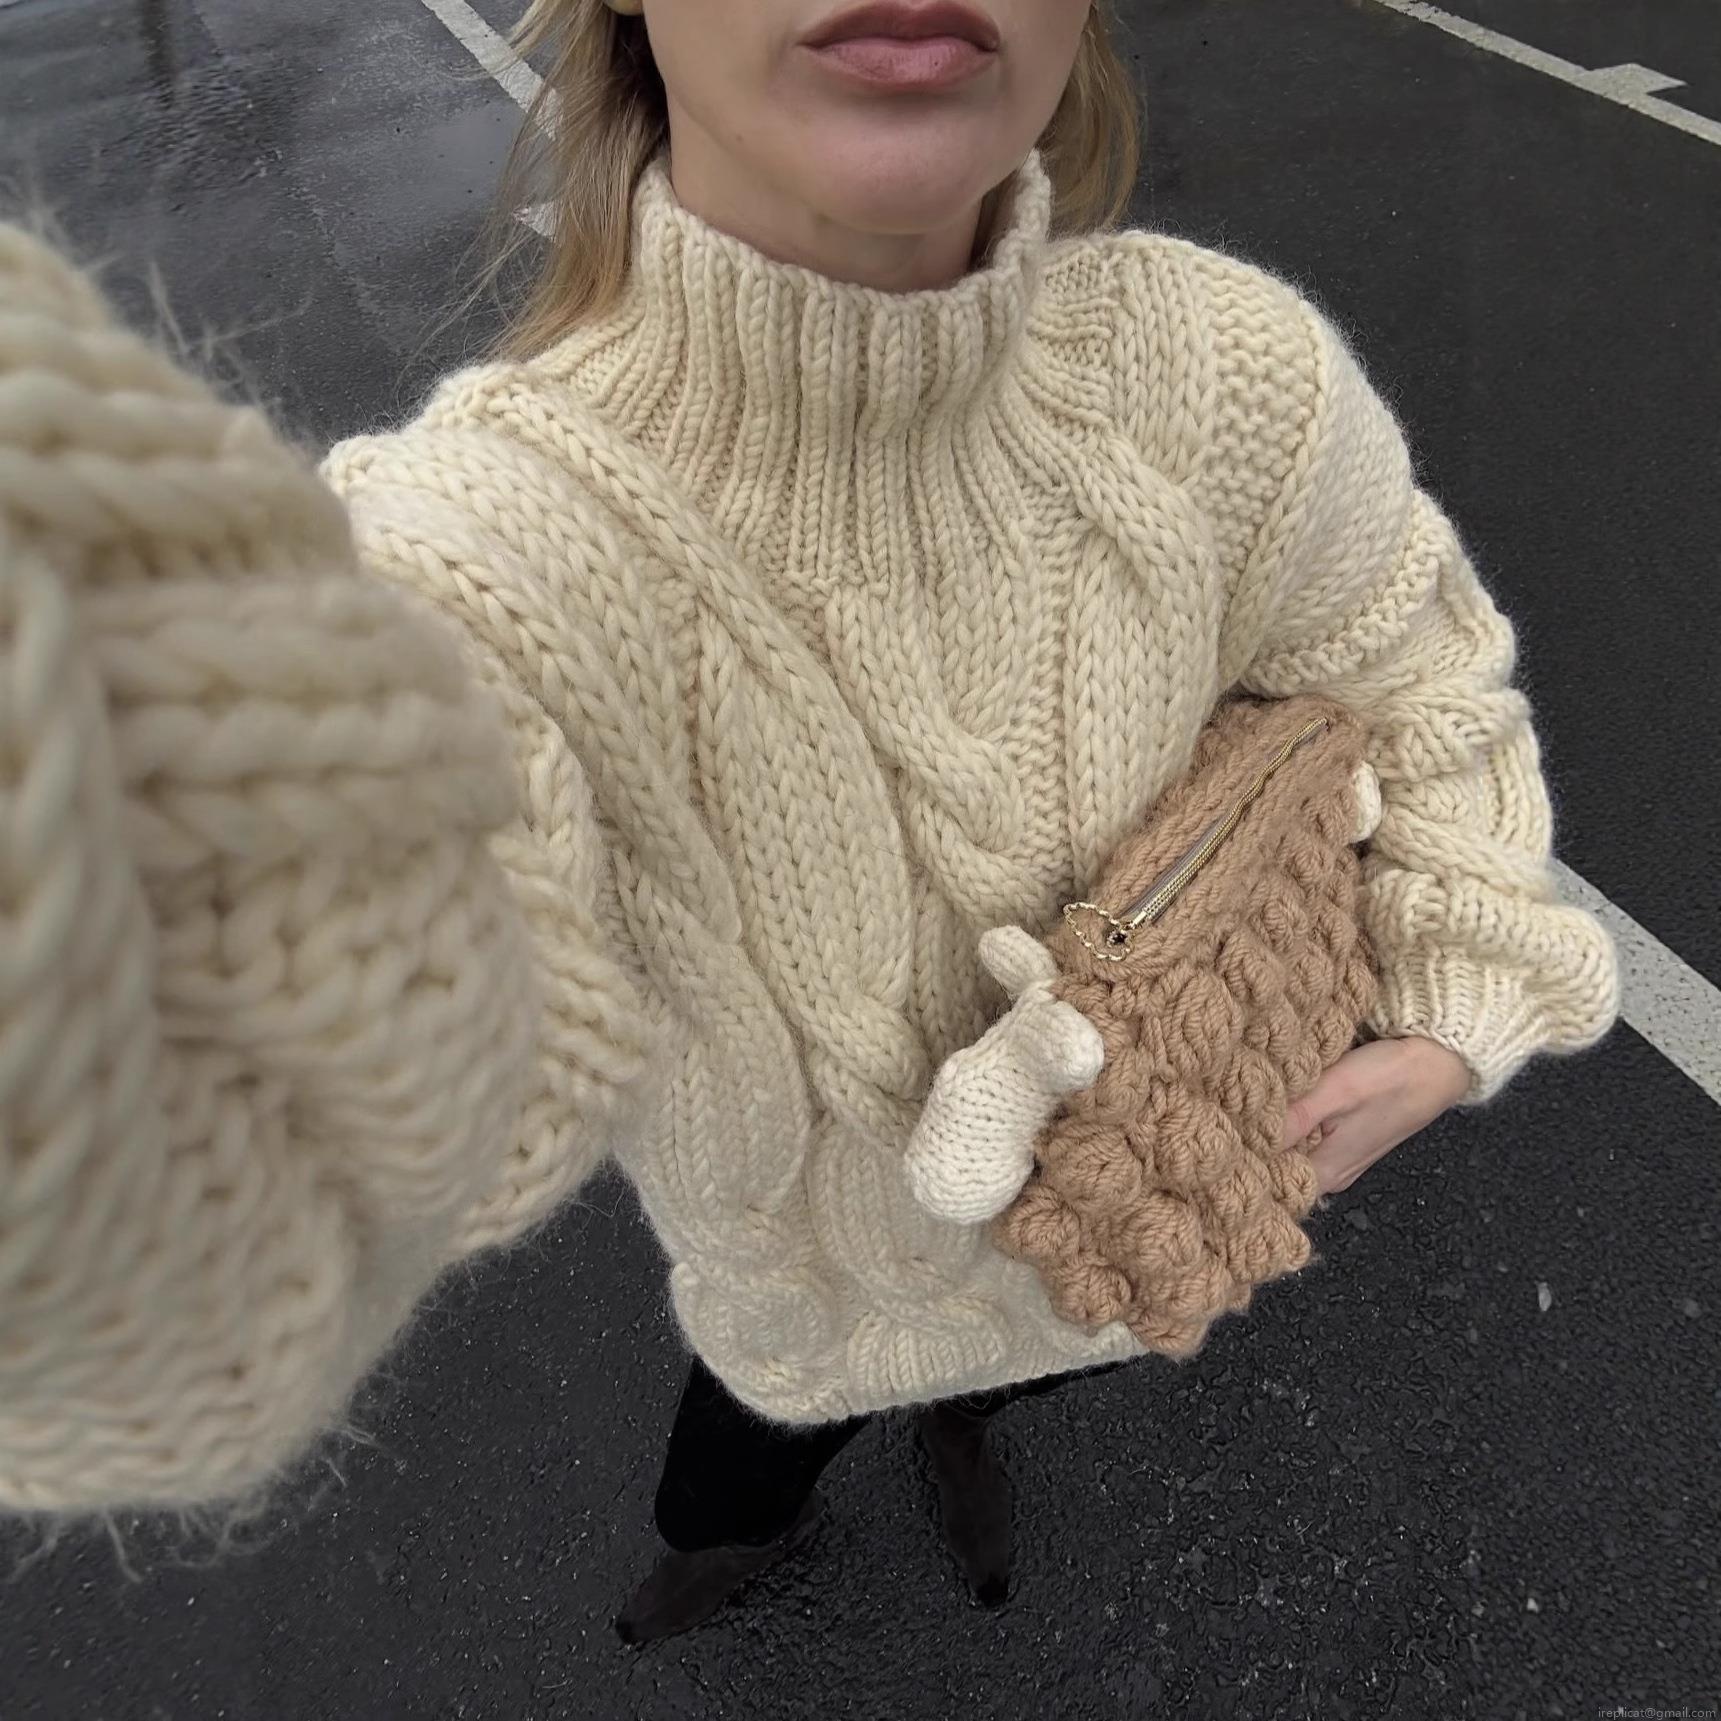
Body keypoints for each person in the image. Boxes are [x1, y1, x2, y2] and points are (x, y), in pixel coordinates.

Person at [0, 0, 1617, 1647]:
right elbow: (205, 1169)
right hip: (799, 1319)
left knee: (1018, 1374)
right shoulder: (487, 555)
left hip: (1128, 1234)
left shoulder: (1227, 375)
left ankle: (964, 1421)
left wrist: (1456, 1002)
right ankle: (727, 1540)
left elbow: (1420, 680)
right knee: (735, 1471)